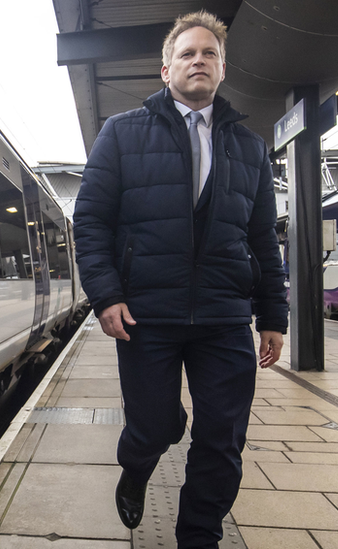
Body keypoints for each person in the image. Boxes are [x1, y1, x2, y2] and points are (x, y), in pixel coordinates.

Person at [72, 11, 287, 549]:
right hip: (147, 314)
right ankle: (138, 463)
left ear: (221, 69)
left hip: (224, 316)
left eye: (209, 53)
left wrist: (274, 316)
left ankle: (199, 536)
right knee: (153, 424)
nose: (199, 61)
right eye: (188, 53)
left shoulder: (251, 148)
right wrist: (106, 296)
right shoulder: (120, 133)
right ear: (165, 70)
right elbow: (91, 220)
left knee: (222, 440)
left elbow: (264, 238)